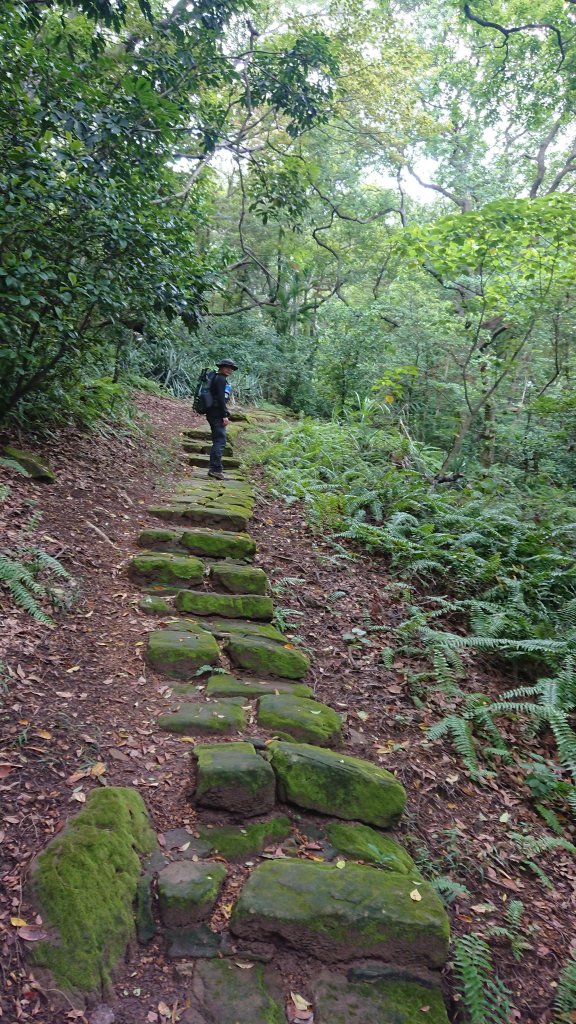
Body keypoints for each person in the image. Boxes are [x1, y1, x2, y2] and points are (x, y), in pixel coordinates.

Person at [206, 358, 238, 479]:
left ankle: (215, 468)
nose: (230, 370)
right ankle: (215, 469)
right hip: (216, 413)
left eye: (231, 368)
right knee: (220, 441)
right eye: (227, 367)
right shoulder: (220, 379)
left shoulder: (214, 377)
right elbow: (220, 398)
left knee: (218, 440)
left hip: (211, 412)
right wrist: (225, 415)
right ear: (221, 367)